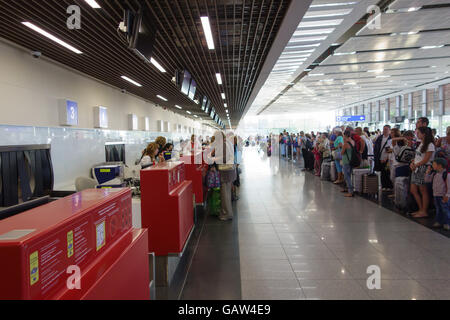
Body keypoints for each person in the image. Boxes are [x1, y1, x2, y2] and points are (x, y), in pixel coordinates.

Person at [410, 127, 435, 218]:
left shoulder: (430, 145)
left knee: (423, 190)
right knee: (413, 190)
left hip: (423, 168)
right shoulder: (422, 144)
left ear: (424, 134)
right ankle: (420, 208)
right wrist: (413, 163)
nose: (417, 134)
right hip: (417, 168)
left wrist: (416, 165)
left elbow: (426, 159)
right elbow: (418, 157)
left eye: (418, 133)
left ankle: (424, 210)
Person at [425, 158, 449, 230]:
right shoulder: (434, 174)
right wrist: (428, 173)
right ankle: (439, 221)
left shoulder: (446, 175)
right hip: (436, 195)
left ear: (439, 165)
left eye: (434, 164)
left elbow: (449, 186)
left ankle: (447, 223)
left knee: (445, 209)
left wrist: (447, 195)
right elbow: (427, 180)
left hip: (443, 196)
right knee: (438, 209)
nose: (432, 166)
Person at [374, 125, 393, 190]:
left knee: (387, 172)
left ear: (389, 130)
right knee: (382, 172)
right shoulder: (380, 138)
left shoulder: (391, 138)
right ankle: (383, 185)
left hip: (387, 158)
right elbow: (376, 148)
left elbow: (390, 150)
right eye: (384, 129)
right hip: (380, 157)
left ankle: (389, 186)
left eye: (386, 129)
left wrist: (386, 158)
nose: (384, 131)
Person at [341, 130, 356, 197]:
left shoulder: (346, 144)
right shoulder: (353, 142)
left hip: (346, 161)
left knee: (347, 176)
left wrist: (342, 146)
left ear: (345, 135)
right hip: (351, 160)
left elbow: (342, 152)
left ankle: (350, 191)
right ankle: (347, 188)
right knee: (348, 175)